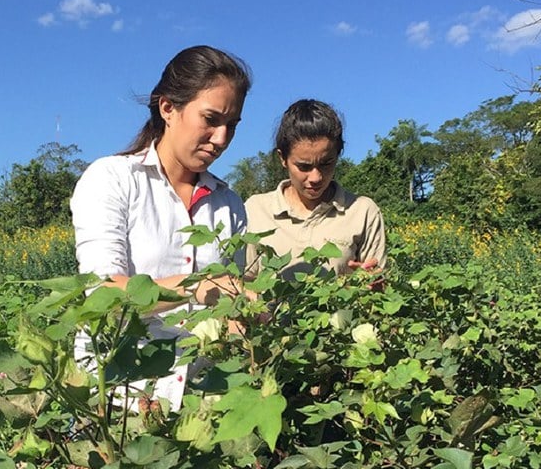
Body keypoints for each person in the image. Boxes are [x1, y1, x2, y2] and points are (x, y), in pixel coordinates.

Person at [69, 45, 252, 409]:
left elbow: (228, 307)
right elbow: (102, 296)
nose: (221, 138)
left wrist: (247, 319)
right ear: (168, 108)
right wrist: (195, 287)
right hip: (123, 400)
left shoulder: (228, 204)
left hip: (200, 408)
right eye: (211, 119)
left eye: (231, 125)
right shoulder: (113, 180)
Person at [244, 99, 386, 281]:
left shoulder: (362, 211)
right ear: (282, 158)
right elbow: (243, 285)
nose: (316, 178)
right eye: (304, 166)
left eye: (326, 164)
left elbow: (378, 290)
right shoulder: (256, 210)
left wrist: (373, 283)